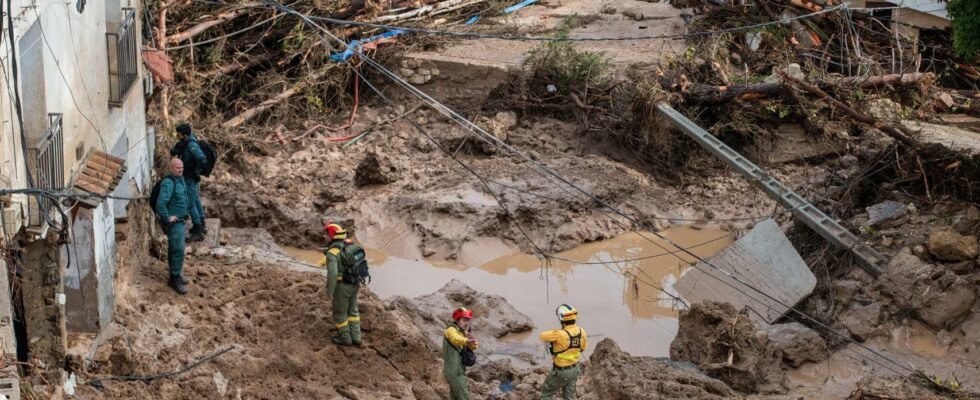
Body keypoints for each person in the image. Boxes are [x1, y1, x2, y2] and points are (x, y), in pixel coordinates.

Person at [317, 222, 362, 346]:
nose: (324, 236)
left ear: (331, 236)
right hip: (355, 282)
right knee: (353, 310)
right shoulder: (349, 244)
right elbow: (339, 250)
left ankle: (345, 339)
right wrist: (325, 250)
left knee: (339, 313)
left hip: (343, 286)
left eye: (326, 234)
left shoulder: (332, 254)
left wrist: (330, 291)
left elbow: (333, 273)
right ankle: (357, 337)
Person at [156, 159, 191, 295]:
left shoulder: (179, 180)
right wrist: (167, 217)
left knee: (174, 249)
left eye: (182, 167)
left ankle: (175, 275)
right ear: (171, 168)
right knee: (178, 249)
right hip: (174, 223)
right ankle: (175, 278)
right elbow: (161, 204)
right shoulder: (168, 183)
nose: (180, 169)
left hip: (180, 221)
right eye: (177, 168)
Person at [539, 304, 587, 400]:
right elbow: (583, 348)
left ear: (561, 318)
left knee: (546, 394)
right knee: (569, 396)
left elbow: (542, 336)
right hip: (575, 369)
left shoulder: (559, 334)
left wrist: (557, 334)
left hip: (562, 371)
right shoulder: (582, 331)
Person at [170, 123, 208, 242]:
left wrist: (196, 172)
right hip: (190, 177)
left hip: (190, 177)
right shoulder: (188, 140)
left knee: (190, 205)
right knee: (196, 200)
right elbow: (174, 151)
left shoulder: (191, 144)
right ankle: (202, 225)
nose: (177, 135)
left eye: (179, 134)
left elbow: (202, 159)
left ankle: (198, 231)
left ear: (184, 134)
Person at [443, 307, 478, 400]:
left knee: (455, 396)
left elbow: (474, 347)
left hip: (459, 369)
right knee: (463, 396)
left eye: (468, 320)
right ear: (458, 320)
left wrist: (472, 340)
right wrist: (466, 340)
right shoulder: (451, 330)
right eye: (464, 320)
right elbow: (455, 339)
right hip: (453, 370)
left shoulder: (462, 333)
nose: (466, 323)